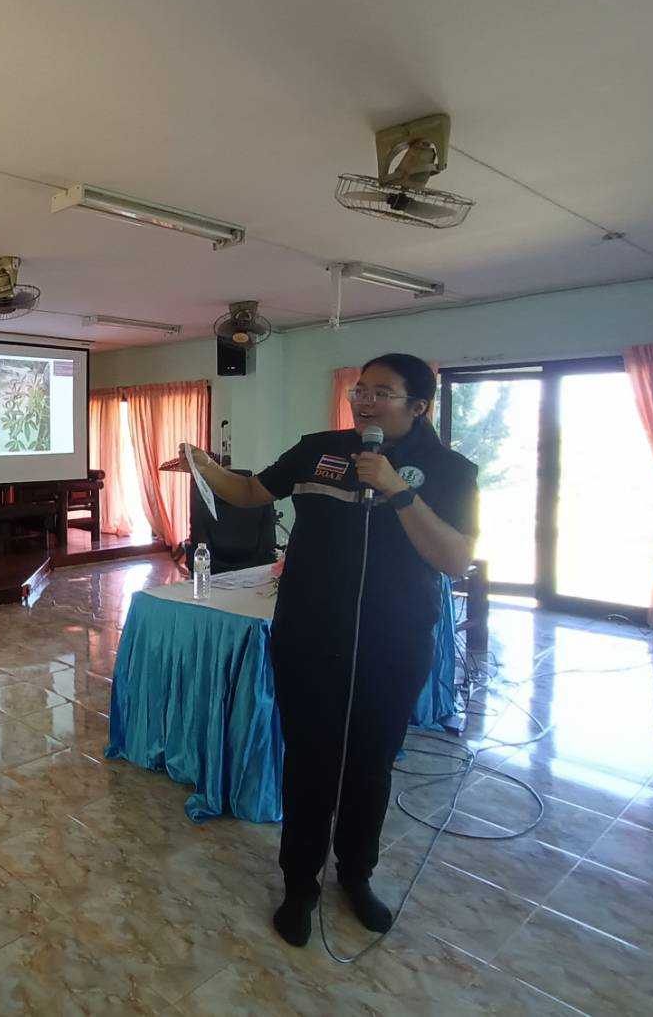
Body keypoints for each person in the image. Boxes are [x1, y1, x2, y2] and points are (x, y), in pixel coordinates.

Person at [186, 353, 477, 946]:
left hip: (393, 644)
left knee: (370, 767)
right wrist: (203, 465)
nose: (364, 401)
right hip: (310, 636)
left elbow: (453, 559)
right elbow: (251, 491)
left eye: (382, 393)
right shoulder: (319, 448)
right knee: (310, 762)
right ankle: (299, 885)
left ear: (419, 406)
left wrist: (396, 489)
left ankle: (356, 876)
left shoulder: (449, 470)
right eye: (360, 390)